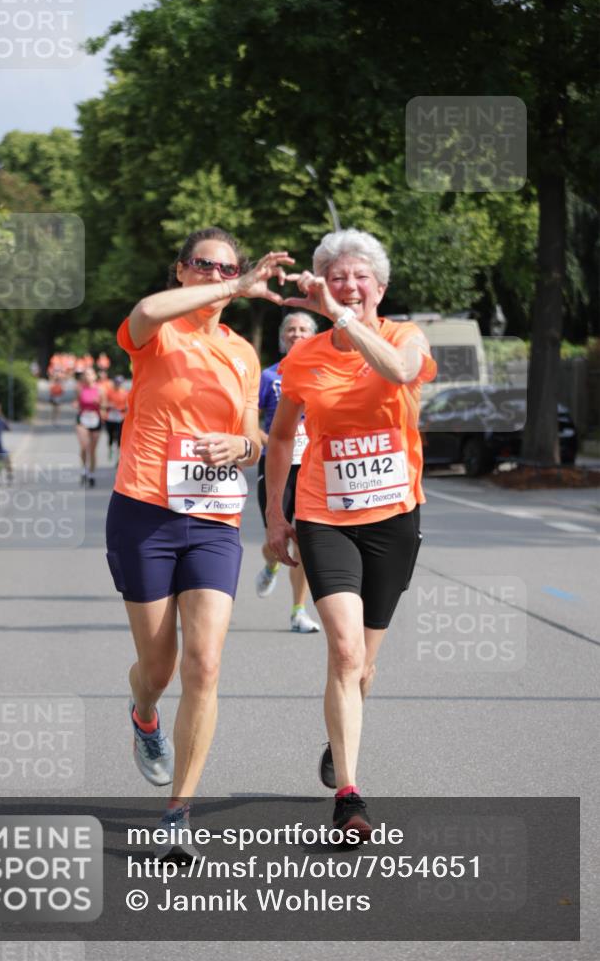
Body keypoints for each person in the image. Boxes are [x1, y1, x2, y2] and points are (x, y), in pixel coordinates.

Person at [105, 227, 292, 854]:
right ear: (181, 271)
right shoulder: (159, 332)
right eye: (206, 266)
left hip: (212, 518)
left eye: (230, 269)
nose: (219, 276)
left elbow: (253, 434)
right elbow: (142, 312)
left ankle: (179, 809)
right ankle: (144, 714)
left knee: (204, 663)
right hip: (144, 514)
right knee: (157, 668)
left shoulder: (242, 353)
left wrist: (243, 445)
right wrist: (238, 286)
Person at [265, 229, 436, 840]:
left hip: (393, 519)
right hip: (323, 516)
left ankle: (341, 742)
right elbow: (282, 436)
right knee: (343, 652)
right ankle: (350, 797)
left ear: (381, 289)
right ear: (320, 283)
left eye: (361, 276)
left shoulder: (404, 338)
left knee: (364, 668)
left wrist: (342, 319)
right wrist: (275, 515)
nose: (349, 285)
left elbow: (396, 373)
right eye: (336, 276)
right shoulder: (304, 359)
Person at [255, 312, 320, 634]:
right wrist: (272, 441)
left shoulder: (324, 372)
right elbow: (249, 421)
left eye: (304, 330)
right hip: (277, 464)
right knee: (277, 539)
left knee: (305, 542)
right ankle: (270, 563)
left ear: (314, 336)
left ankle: (298, 610)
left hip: (313, 466)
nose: (297, 334)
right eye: (291, 330)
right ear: (283, 338)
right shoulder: (268, 377)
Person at [75, 368, 103, 487]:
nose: (88, 376)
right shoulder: (79, 389)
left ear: (95, 376)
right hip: (83, 419)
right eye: (86, 374)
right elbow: (77, 403)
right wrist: (76, 405)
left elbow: (105, 405)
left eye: (90, 374)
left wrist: (100, 404)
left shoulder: (100, 390)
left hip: (95, 419)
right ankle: (84, 470)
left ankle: (91, 474)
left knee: (92, 450)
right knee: (84, 446)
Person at [104, 374, 129, 461]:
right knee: (110, 436)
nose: (118, 384)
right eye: (116, 382)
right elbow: (104, 403)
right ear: (114, 383)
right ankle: (110, 448)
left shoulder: (125, 393)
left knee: (119, 437)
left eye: (120, 383)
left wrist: (122, 408)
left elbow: (128, 406)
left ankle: (118, 456)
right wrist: (109, 406)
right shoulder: (109, 392)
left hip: (120, 417)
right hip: (110, 417)